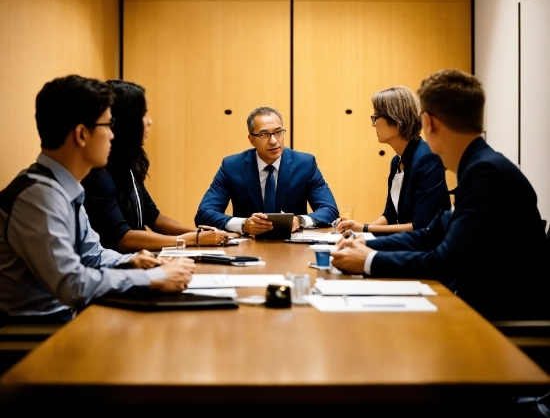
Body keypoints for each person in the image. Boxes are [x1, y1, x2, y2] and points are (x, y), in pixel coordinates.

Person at [331, 70, 548, 320]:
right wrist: (365, 244)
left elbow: (445, 261)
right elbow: (430, 234)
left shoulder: (485, 173)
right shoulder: (480, 166)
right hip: (483, 302)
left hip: (502, 316)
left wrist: (370, 260)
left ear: (429, 122)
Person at [0, 75, 195, 323]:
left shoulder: (64, 187)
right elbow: (72, 284)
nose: (113, 135)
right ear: (82, 134)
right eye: (107, 125)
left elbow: (94, 255)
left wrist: (136, 262)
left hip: (67, 317)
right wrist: (152, 279)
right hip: (34, 331)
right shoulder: (39, 196)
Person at [82, 80, 229, 252]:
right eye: (143, 114)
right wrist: (190, 239)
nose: (149, 121)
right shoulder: (99, 173)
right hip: (120, 267)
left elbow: (155, 218)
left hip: (138, 260)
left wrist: (201, 234)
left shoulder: (128, 164)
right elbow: (123, 238)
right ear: (126, 121)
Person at [195, 106, 339, 236]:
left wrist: (299, 221)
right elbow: (204, 214)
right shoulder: (232, 166)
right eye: (264, 135)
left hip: (294, 247)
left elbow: (330, 210)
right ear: (251, 140)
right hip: (248, 247)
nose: (274, 141)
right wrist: (244, 225)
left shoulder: (305, 164)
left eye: (278, 132)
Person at [336, 86, 450, 236]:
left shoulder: (427, 159)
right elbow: (389, 216)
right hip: (407, 244)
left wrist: (364, 229)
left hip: (428, 250)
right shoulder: (396, 161)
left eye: (376, 117)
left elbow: (422, 226)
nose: (374, 124)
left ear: (396, 120)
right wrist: (358, 230)